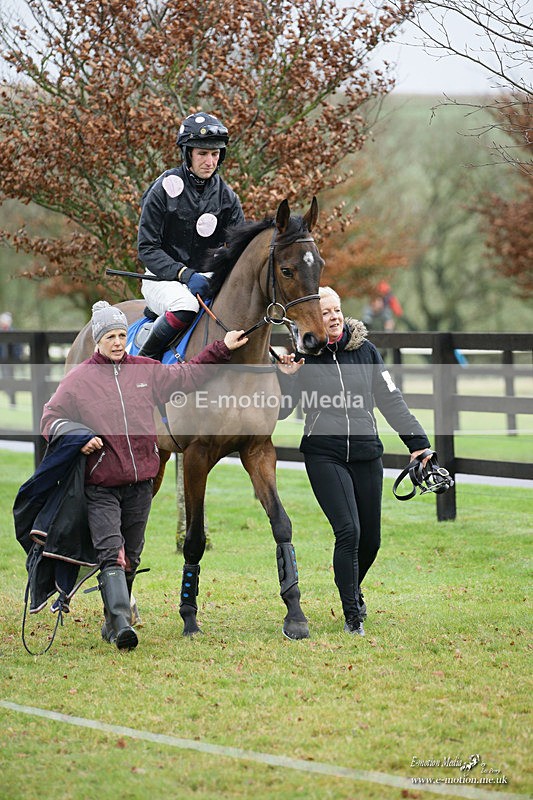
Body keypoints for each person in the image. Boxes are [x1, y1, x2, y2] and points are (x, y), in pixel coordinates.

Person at [40, 300, 247, 650]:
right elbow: (49, 418)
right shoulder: (79, 380)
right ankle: (121, 624)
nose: (119, 342)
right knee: (111, 552)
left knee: (132, 554)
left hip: (140, 482)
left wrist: (221, 348)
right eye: (111, 337)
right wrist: (77, 436)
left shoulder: (145, 370)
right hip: (101, 484)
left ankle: (111, 618)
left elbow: (188, 374)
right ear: (97, 341)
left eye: (122, 335)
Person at [277, 286, 431, 636]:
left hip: (366, 453)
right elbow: (284, 411)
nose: (331, 317)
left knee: (371, 540)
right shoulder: (305, 357)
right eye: (324, 312)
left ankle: (348, 581)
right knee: (348, 531)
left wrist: (418, 444)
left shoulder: (366, 351)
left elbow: (392, 401)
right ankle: (352, 615)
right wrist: (285, 379)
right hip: (324, 453)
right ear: (313, 319)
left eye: (336, 310)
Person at [137, 111, 245, 360]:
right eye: (202, 154)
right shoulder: (162, 190)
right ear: (188, 154)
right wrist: (183, 274)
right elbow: (147, 248)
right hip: (162, 279)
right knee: (186, 307)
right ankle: (143, 365)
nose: (209, 161)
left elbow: (237, 249)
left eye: (215, 154)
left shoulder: (227, 197)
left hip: (205, 279)